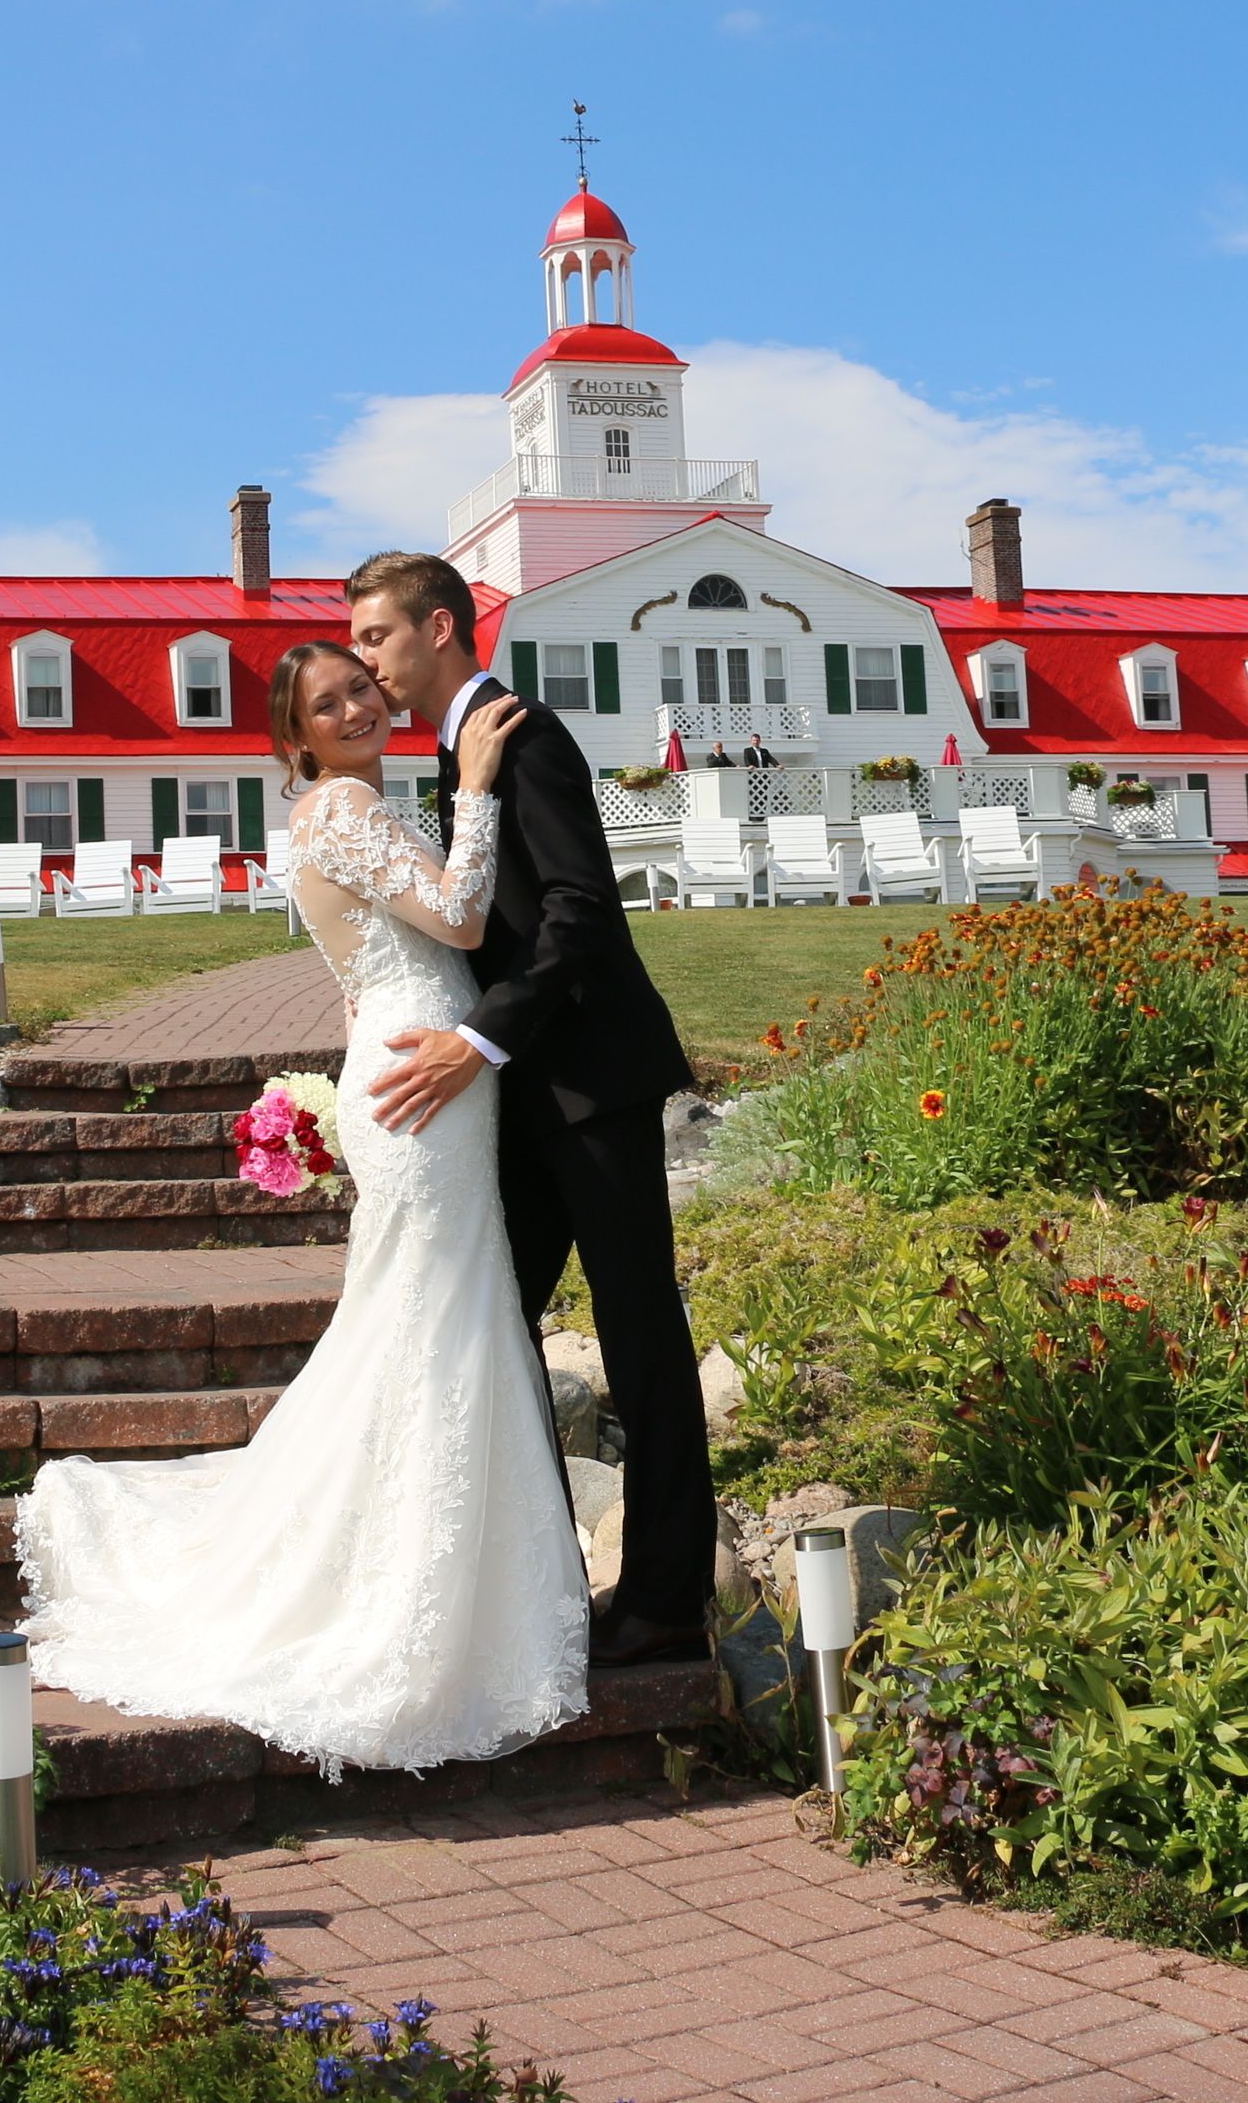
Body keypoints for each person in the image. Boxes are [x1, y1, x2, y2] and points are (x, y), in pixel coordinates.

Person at [15, 641, 587, 1771]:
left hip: (412, 1069)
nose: (359, 706)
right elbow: (461, 919)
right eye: (329, 704)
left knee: (428, 1313)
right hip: (422, 1084)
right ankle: (403, 1584)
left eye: (362, 686)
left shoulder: (340, 809)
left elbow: (388, 962)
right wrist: (477, 788)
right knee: (434, 1315)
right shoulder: (342, 809)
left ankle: (443, 1567)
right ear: (299, 738)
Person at [346, 551, 714, 1666]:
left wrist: (476, 1037)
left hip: (591, 1079)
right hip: (520, 1094)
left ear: (438, 627)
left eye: (376, 635)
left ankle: (664, 1602)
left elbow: (578, 911)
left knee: (639, 1333)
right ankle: (530, 1587)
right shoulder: (460, 748)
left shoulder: (523, 733)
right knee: (491, 1326)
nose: (366, 660)